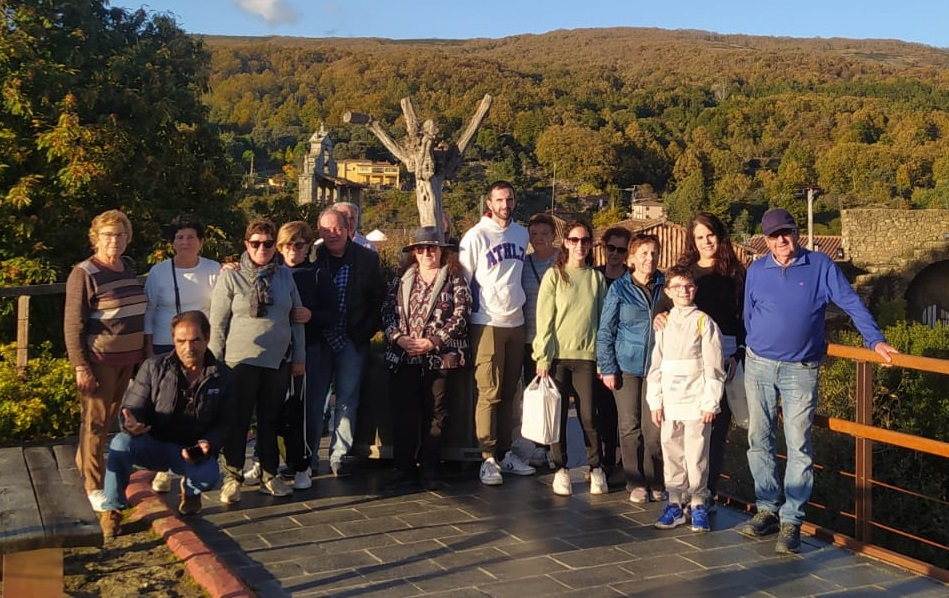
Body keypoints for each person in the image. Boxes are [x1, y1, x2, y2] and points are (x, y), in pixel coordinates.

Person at [740, 208, 898, 554]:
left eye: (787, 232)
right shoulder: (756, 270)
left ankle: (791, 520)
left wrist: (875, 341)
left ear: (796, 232)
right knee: (759, 438)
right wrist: (758, 344)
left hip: (801, 369)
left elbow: (852, 303)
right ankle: (766, 509)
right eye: (775, 236)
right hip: (759, 365)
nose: (783, 240)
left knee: (798, 445)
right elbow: (748, 314)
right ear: (765, 241)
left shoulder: (820, 266)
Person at [98, 311, 234, 538]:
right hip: (153, 442)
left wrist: (208, 443)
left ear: (207, 338)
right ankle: (112, 508)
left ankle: (190, 493)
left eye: (195, 340)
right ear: (173, 340)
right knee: (121, 443)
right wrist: (131, 423)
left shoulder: (223, 375)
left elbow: (228, 421)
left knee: (210, 475)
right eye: (181, 341)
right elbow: (133, 407)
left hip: (191, 451)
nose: (188, 348)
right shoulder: (153, 367)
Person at [655, 212, 746, 512]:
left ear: (719, 236)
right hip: (685, 361)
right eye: (700, 237)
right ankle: (678, 495)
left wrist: (738, 354)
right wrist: (659, 315)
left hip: (724, 358)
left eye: (711, 235)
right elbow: (663, 307)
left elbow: (744, 320)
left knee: (715, 428)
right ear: (692, 241)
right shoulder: (685, 273)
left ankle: (707, 496)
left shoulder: (736, 273)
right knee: (679, 434)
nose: (706, 241)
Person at [209, 220, 306, 502]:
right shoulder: (232, 277)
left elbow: (297, 317)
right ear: (246, 244)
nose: (261, 248)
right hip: (240, 360)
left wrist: (299, 357)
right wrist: (215, 362)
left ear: (275, 245)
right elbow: (217, 323)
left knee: (270, 420)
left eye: (267, 243)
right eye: (255, 243)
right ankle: (232, 476)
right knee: (237, 420)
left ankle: (269, 474)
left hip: (277, 360)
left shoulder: (285, 277)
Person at [64, 209, 146, 512]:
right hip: (100, 359)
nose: (115, 240)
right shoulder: (84, 273)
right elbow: (73, 324)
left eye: (121, 234)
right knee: (96, 423)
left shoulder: (128, 266)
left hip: (129, 358)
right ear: (95, 238)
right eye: (108, 234)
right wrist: (81, 366)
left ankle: (82, 470)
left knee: (111, 420)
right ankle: (93, 486)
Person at [381, 226, 472, 490]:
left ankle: (430, 468)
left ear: (442, 251)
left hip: (439, 357)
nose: (426, 253)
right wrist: (398, 337)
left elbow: (461, 314)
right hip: (404, 355)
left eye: (432, 248)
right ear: (414, 253)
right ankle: (403, 467)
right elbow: (387, 312)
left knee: (436, 414)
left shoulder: (455, 278)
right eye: (421, 249)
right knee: (403, 413)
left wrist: (433, 341)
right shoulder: (401, 279)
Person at [458, 180, 535, 485]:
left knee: (509, 391)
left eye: (510, 199)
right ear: (489, 203)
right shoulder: (475, 236)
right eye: (499, 200)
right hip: (486, 320)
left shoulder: (520, 233)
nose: (505, 205)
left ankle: (505, 452)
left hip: (515, 321)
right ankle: (487, 457)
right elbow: (463, 281)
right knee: (488, 392)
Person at [143, 215, 221, 494]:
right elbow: (150, 310)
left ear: (200, 241)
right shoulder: (159, 272)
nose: (185, 242)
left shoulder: (214, 270)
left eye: (190, 237)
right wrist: (149, 347)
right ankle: (164, 468)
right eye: (179, 237)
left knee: (198, 411)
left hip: (201, 346)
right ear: (172, 242)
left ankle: (195, 468)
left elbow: (221, 309)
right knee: (165, 409)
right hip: (166, 344)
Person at [646, 266, 725, 533]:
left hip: (696, 400)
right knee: (672, 452)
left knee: (696, 453)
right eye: (677, 287)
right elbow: (656, 365)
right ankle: (675, 503)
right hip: (670, 400)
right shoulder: (664, 323)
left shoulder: (704, 322)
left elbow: (714, 366)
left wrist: (710, 402)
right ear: (668, 291)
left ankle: (699, 503)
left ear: (695, 289)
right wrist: (655, 401)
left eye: (689, 286)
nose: (684, 291)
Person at [533, 221, 608, 496]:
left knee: (589, 416)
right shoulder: (555, 276)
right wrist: (542, 357)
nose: (580, 245)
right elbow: (545, 319)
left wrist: (603, 359)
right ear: (565, 242)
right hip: (557, 357)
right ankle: (560, 468)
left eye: (585, 240)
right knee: (558, 416)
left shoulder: (596, 279)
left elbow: (602, 322)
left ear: (590, 244)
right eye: (574, 240)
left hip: (587, 357)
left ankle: (595, 467)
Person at [311, 207, 386, 476]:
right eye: (326, 229)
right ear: (318, 231)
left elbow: (380, 299)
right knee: (315, 399)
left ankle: (338, 455)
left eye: (337, 228)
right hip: (318, 340)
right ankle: (309, 457)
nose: (332, 234)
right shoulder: (312, 257)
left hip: (353, 339)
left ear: (348, 229)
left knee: (347, 399)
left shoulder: (366, 259)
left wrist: (366, 331)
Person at [596, 233, 666, 504]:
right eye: (644, 253)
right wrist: (608, 366)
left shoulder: (665, 285)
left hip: (657, 367)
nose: (650, 258)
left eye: (654, 253)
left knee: (654, 428)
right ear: (632, 259)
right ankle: (635, 481)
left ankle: (655, 479)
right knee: (629, 426)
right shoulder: (620, 289)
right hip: (626, 365)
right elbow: (606, 330)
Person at [272, 221, 338, 489]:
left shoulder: (318, 275)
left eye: (298, 245)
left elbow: (334, 314)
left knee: (310, 409)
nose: (292, 251)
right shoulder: (272, 274)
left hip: (313, 350)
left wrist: (312, 316)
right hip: (279, 352)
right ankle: (281, 459)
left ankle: (307, 461)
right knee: (278, 409)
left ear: (307, 247)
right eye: (286, 245)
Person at [520, 213, 558, 468]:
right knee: (534, 395)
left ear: (554, 236)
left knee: (556, 395)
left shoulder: (562, 262)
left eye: (544, 233)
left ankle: (555, 446)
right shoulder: (523, 264)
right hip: (528, 338)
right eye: (534, 234)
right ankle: (538, 445)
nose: (539, 238)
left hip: (556, 339)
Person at [593, 226, 632, 476]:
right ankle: (603, 458)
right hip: (598, 352)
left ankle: (620, 458)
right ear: (604, 247)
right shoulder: (594, 276)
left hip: (625, 352)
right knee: (600, 409)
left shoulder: (632, 279)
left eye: (621, 249)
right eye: (611, 248)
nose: (615, 254)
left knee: (624, 411)